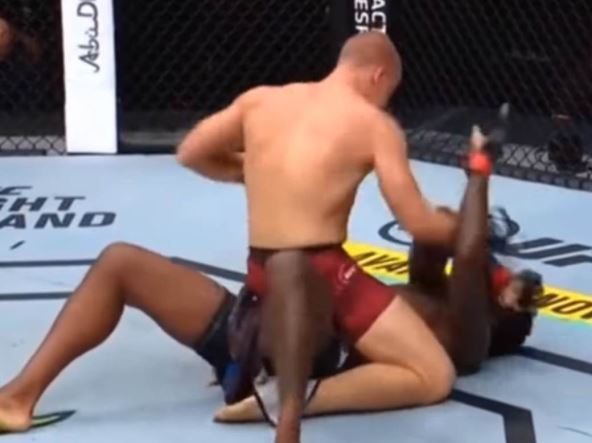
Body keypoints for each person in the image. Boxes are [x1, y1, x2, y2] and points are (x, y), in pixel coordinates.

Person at [211, 127, 541, 425]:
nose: (498, 270)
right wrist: (471, 229)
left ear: (501, 309)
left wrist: (480, 170)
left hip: (317, 347)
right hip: (291, 323)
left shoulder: (470, 341)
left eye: (502, 280)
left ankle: (285, 396)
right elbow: (435, 235)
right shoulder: (430, 290)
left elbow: (468, 257)